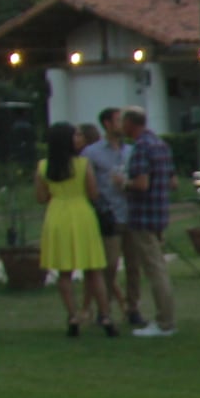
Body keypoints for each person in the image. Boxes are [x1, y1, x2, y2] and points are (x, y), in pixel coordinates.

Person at [34, 125, 109, 336]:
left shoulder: (43, 166)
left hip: (57, 214)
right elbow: (93, 193)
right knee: (94, 269)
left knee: (64, 271)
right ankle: (105, 314)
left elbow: (40, 198)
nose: (79, 138)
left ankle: (72, 314)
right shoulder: (83, 164)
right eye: (75, 135)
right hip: (82, 213)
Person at [118, 108, 177, 336]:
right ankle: (166, 318)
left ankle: (165, 322)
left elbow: (141, 184)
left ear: (131, 123)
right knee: (159, 267)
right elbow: (172, 182)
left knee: (155, 271)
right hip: (159, 214)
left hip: (143, 216)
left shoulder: (141, 147)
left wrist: (123, 183)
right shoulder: (161, 145)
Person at [80, 115, 129, 322]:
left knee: (132, 267)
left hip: (129, 212)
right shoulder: (91, 154)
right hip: (108, 216)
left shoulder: (130, 150)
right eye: (119, 120)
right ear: (107, 124)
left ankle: (129, 307)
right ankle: (103, 309)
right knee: (107, 265)